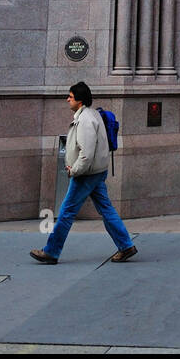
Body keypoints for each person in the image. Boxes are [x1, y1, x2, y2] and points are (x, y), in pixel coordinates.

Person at [31, 82, 138, 264]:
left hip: (86, 174)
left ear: (79, 101)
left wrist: (75, 170)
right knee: (106, 209)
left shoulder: (86, 120)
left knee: (66, 212)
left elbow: (86, 154)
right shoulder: (91, 114)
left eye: (70, 97)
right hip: (95, 172)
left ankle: (51, 252)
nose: (68, 99)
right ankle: (126, 246)